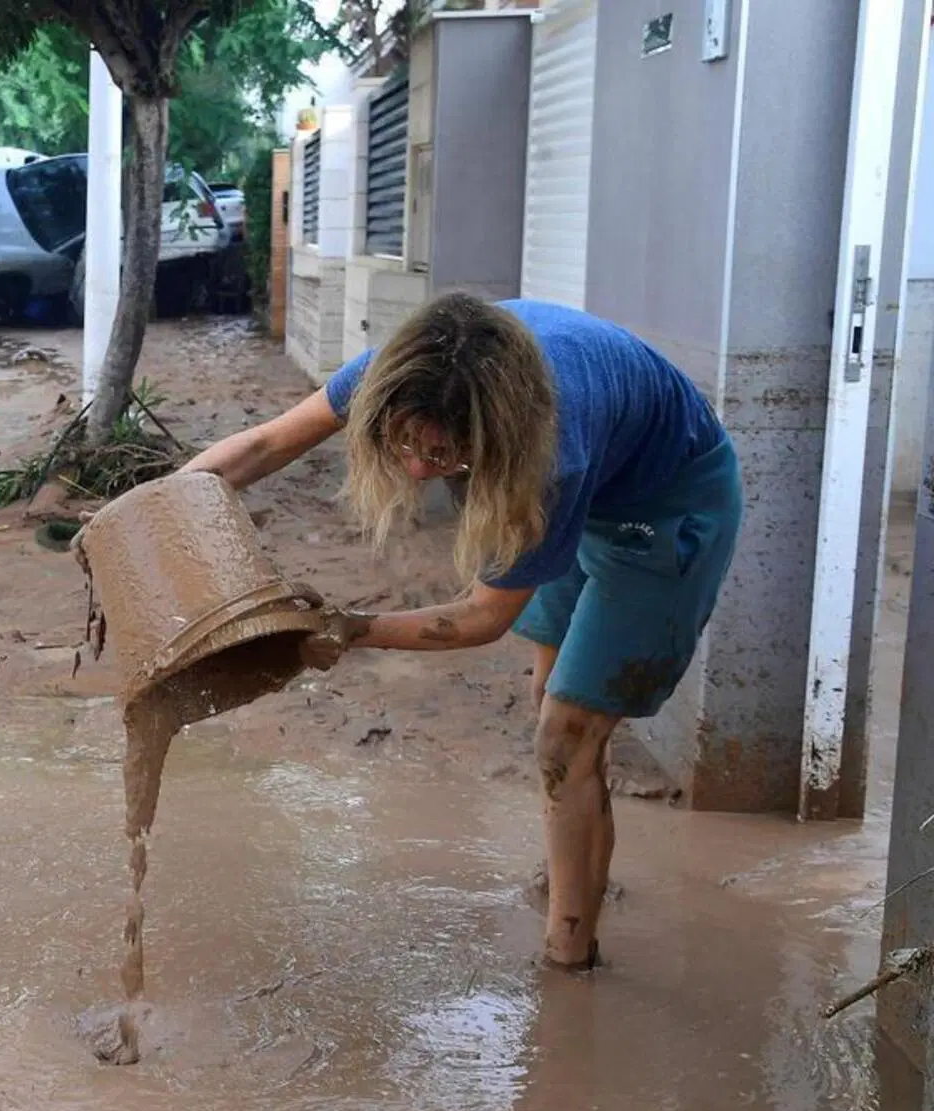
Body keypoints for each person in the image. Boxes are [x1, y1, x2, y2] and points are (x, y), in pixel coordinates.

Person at [183, 292, 743, 971]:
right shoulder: (403, 370)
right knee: (549, 694)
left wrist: (343, 629)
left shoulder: (548, 460)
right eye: (405, 443)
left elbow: (481, 617)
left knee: (567, 732)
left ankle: (570, 954)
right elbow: (267, 442)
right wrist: (147, 511)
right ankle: (574, 865)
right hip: (598, 478)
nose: (418, 470)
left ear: (490, 433)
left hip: (666, 504)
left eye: (443, 452)